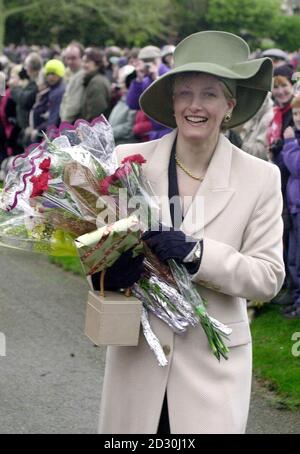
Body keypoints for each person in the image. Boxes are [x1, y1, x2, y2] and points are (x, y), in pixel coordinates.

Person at [96, 31, 285, 434]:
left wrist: (199, 255)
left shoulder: (261, 177)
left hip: (211, 374)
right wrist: (107, 273)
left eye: (210, 94)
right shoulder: (128, 162)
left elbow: (268, 278)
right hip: (137, 363)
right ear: (173, 102)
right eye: (185, 93)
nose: (196, 106)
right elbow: (100, 254)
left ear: (230, 106)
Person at [281, 95, 300, 319]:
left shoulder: (293, 141)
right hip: (294, 207)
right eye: (295, 114)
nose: (297, 118)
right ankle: (296, 298)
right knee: (293, 257)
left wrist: (288, 144)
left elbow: (296, 167)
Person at [79, 47, 111, 122]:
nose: (83, 65)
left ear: (97, 64)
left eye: (87, 62)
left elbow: (96, 114)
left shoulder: (97, 82)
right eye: (83, 61)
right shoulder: (93, 79)